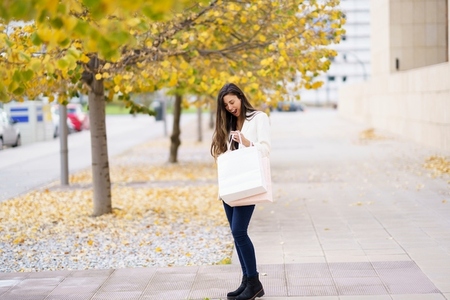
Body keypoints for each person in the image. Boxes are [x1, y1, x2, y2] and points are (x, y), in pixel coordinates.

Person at [211, 83, 270, 300]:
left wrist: (248, 143)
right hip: (230, 185)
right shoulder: (229, 123)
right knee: (236, 235)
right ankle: (247, 280)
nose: (230, 107)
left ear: (241, 98)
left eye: (232, 102)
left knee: (239, 232)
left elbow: (266, 149)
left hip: (247, 183)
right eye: (226, 105)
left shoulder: (258, 118)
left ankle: (254, 282)